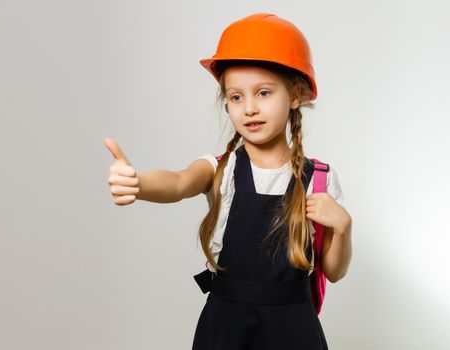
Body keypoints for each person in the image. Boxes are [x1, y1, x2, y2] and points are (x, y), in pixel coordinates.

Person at [104, 12, 352, 350]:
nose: (249, 108)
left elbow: (334, 272)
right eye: (236, 97)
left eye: (263, 92)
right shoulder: (220, 169)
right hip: (226, 326)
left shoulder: (318, 179)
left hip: (294, 329)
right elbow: (178, 183)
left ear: (294, 95)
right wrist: (140, 184)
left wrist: (343, 227)